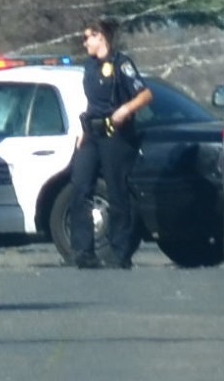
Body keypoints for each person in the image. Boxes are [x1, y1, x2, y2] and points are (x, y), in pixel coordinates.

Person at [70, 18, 153, 269]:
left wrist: (126, 109)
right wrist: (83, 132)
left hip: (115, 135)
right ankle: (83, 251)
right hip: (92, 133)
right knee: (80, 188)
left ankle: (120, 252)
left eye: (88, 37)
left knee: (117, 193)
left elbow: (146, 94)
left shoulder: (122, 64)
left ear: (101, 37)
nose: (84, 43)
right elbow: (93, 102)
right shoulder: (89, 67)